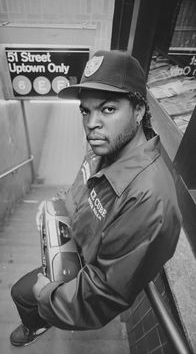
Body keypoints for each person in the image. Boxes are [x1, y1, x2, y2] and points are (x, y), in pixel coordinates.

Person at [10, 50, 182, 347]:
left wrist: (46, 296)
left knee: (22, 293)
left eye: (108, 109)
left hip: (86, 275)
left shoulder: (149, 200)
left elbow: (103, 295)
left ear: (139, 110)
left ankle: (36, 324)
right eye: (85, 111)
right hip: (70, 251)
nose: (91, 124)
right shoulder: (103, 149)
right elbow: (77, 194)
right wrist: (54, 208)